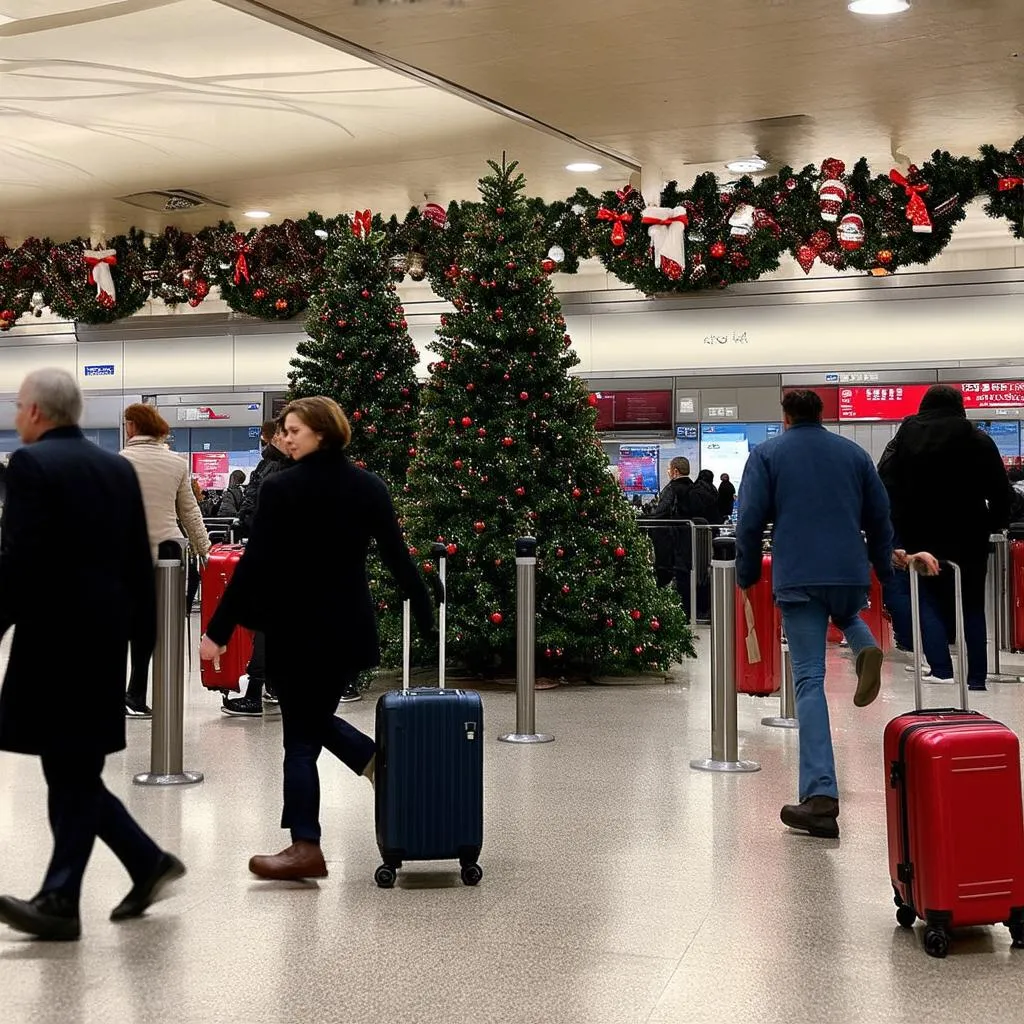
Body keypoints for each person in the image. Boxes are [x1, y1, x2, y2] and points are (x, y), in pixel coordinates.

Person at [199, 397, 435, 880]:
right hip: (346, 631)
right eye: (284, 431)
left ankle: (307, 844)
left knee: (301, 739)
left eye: (293, 431)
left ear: (321, 433)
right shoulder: (368, 485)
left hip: (295, 630)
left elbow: (255, 566)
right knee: (310, 723)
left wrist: (218, 630)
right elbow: (396, 556)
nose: (284, 439)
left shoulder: (283, 489)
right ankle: (374, 766)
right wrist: (426, 613)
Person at [0, 369, 185, 941]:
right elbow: (137, 557)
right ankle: (141, 862)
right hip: (103, 635)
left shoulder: (30, 465)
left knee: (69, 768)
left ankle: (62, 900)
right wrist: (134, 629)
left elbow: (20, 560)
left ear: (34, 411)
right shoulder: (115, 467)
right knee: (72, 767)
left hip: (53, 639)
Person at [737, 390, 894, 840]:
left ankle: (821, 796)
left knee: (808, 679)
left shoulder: (768, 454)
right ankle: (864, 647)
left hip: (800, 574)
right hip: (848, 572)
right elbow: (881, 518)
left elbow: (749, 519)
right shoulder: (852, 453)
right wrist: (884, 569)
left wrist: (747, 573)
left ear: (785, 417)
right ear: (821, 415)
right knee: (846, 613)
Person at [878, 385, 1011, 692]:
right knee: (973, 605)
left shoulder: (904, 439)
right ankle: (977, 677)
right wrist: (993, 523)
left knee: (926, 599)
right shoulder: (978, 439)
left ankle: (940, 668)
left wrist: (896, 528)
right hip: (969, 535)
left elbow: (885, 481)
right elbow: (1000, 492)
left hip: (919, 535)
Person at [120, 403, 211, 718]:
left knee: (129, 625)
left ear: (132, 426)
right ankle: (158, 694)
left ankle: (133, 691)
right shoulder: (176, 462)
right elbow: (189, 511)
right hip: (169, 556)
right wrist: (204, 549)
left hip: (128, 556)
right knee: (165, 625)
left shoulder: (119, 462)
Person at [221, 421, 294, 717]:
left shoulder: (275, 468)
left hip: (272, 555)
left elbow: (258, 510)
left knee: (265, 624)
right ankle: (272, 687)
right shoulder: (274, 465)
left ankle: (256, 691)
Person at [646, 457, 697, 606]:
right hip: (689, 539)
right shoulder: (694, 488)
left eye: (669, 469)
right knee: (686, 576)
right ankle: (688, 609)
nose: (668, 472)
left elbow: (661, 513)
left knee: (666, 575)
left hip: (669, 540)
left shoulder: (672, 489)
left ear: (675, 471)